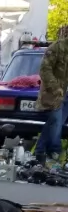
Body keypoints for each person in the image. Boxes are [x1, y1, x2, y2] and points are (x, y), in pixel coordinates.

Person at [36, 25, 68, 164]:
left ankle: (40, 150)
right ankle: (55, 151)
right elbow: (44, 69)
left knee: (55, 123)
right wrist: (55, 87)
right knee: (55, 120)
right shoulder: (56, 48)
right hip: (55, 93)